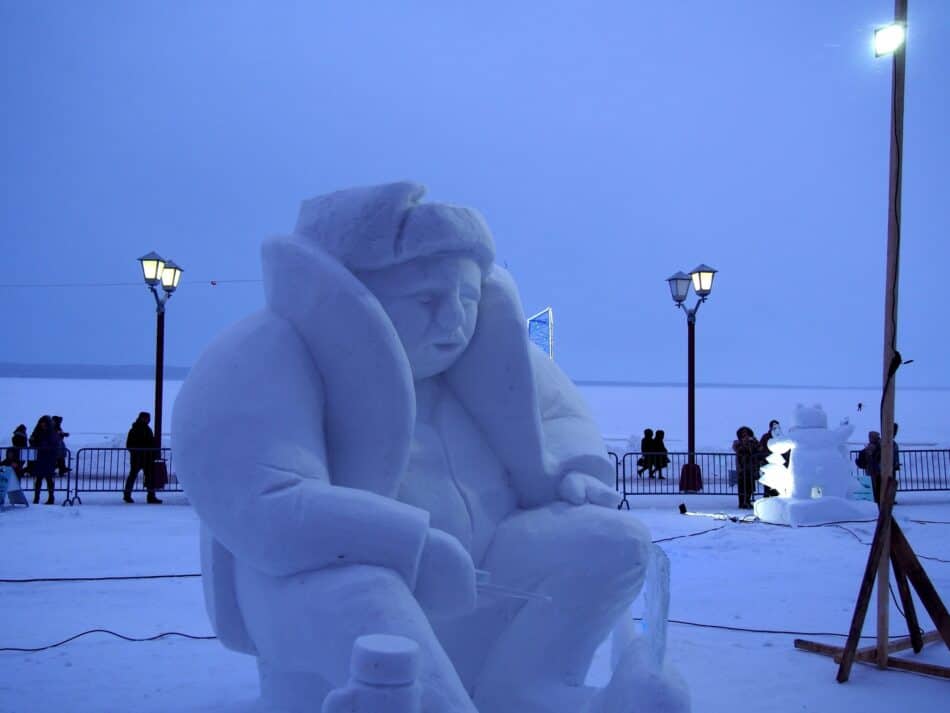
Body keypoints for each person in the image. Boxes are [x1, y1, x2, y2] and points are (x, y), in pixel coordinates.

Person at [172, 183, 668, 713]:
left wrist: (573, 466)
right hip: (309, 593)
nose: (455, 321)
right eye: (427, 299)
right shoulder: (261, 356)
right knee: (364, 594)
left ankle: (531, 686)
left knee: (614, 540)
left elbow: (559, 417)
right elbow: (264, 505)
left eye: (469, 298)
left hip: (477, 570)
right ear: (357, 294)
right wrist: (409, 544)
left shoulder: (487, 360)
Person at [124, 411, 161, 504]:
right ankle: (149, 496)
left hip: (145, 457)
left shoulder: (142, 429)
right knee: (136, 476)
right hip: (140, 457)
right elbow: (129, 445)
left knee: (143, 476)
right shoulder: (137, 430)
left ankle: (129, 495)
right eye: (148, 418)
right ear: (143, 418)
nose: (149, 420)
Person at [29, 415, 58, 504]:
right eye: (42, 423)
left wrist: (42, 445)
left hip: (48, 458)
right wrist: (33, 441)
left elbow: (53, 444)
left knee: (49, 479)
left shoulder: (51, 432)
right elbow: (32, 441)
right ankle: (36, 498)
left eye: (44, 423)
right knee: (38, 479)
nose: (43, 425)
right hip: (40, 458)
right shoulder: (37, 431)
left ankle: (51, 498)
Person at [732, 425, 761, 509]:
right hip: (742, 468)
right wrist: (745, 443)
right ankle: (741, 503)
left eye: (747, 434)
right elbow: (738, 449)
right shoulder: (737, 443)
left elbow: (759, 449)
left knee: (750, 486)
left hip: (752, 467)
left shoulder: (754, 441)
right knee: (742, 486)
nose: (746, 436)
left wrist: (754, 442)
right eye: (743, 434)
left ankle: (747, 501)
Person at [758, 419, 785, 497]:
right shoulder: (766, 436)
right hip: (768, 461)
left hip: (778, 463)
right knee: (768, 481)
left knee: (777, 481)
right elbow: (761, 447)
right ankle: (767, 496)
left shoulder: (780, 436)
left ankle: (775, 495)